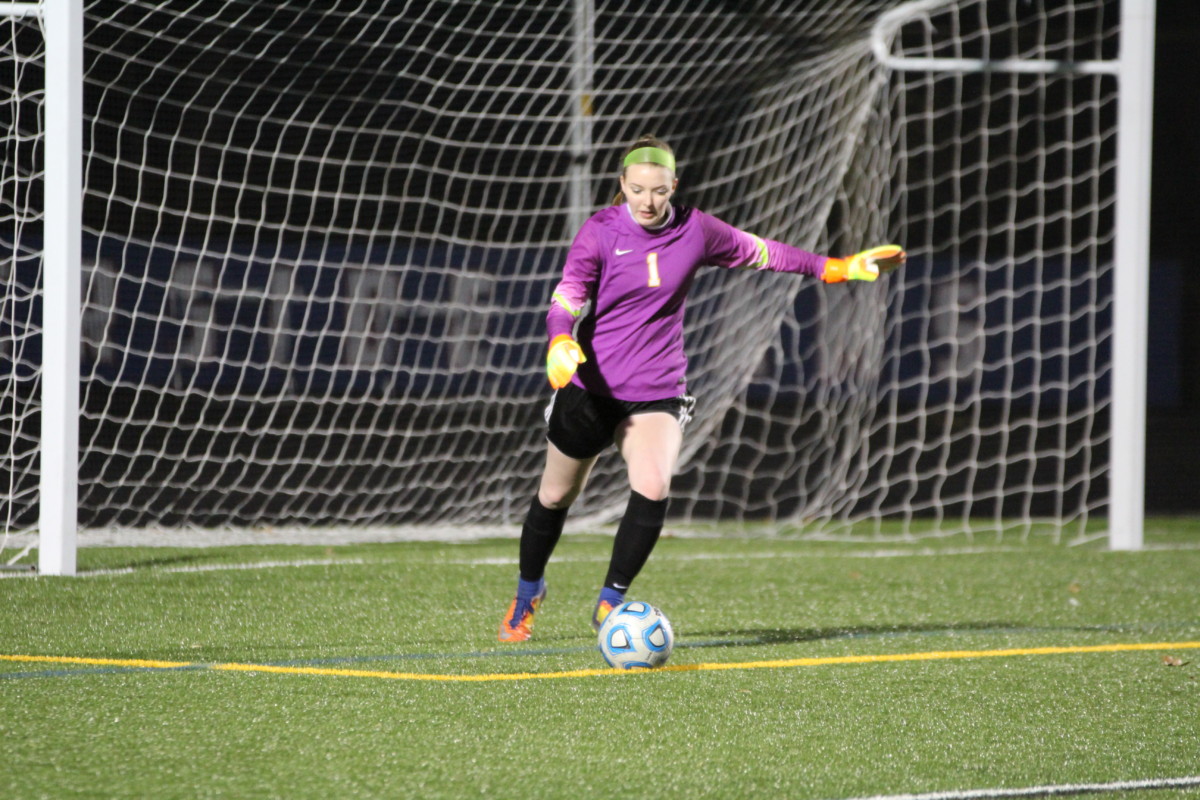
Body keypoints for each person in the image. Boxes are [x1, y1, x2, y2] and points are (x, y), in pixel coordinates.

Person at [498, 135, 904, 642]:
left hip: (657, 387)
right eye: (638, 189)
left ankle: (610, 604)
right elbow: (568, 295)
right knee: (556, 494)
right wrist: (559, 339)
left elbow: (765, 252)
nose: (647, 201)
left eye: (659, 190)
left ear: (674, 187)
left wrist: (835, 268)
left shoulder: (697, 230)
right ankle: (527, 592)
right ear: (622, 185)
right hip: (591, 385)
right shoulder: (599, 231)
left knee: (653, 483)